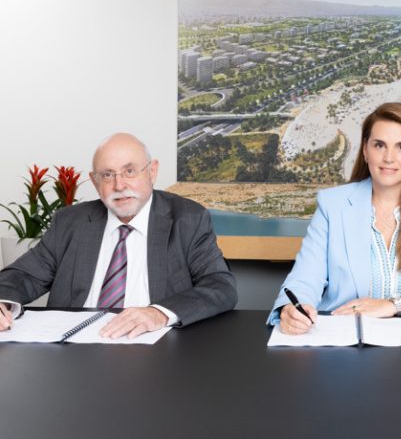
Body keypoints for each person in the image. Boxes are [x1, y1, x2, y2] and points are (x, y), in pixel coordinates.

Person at [268, 102, 401, 334]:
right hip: (343, 339)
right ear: (365, 150)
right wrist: (292, 309)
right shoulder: (332, 205)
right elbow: (304, 280)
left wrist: (395, 305)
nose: (389, 158)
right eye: (379, 145)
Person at [0, 133, 237, 338]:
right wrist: (3, 301)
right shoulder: (70, 222)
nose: (119, 185)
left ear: (152, 171)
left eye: (130, 171)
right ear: (95, 182)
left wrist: (159, 313)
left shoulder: (188, 219)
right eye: (107, 175)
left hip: (156, 349)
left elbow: (220, 286)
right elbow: (23, 275)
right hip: (73, 353)